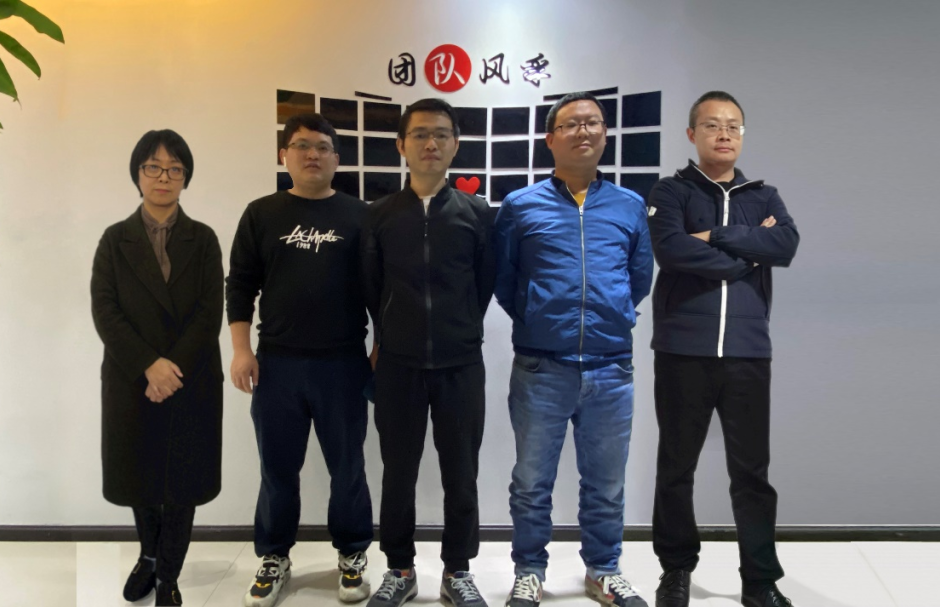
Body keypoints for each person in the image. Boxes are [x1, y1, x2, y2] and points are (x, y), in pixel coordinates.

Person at [492, 92, 653, 607]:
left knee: (606, 483)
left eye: (593, 123)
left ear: (605, 134)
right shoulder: (521, 205)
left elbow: (640, 278)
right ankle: (529, 571)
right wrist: (538, 317)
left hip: (611, 367)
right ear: (550, 138)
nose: (584, 131)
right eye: (571, 124)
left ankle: (603, 570)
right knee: (531, 481)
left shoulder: (629, 206)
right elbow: (504, 280)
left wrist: (611, 314)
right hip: (542, 366)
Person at [648, 91, 800, 607]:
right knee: (676, 467)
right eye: (713, 125)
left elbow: (785, 245)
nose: (724, 134)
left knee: (751, 473)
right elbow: (671, 248)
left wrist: (712, 235)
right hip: (682, 350)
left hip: (747, 351)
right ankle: (675, 571)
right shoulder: (671, 191)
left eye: (734, 126)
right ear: (692, 134)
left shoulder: (766, 196)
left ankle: (760, 580)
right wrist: (748, 250)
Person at [227, 113, 375, 606]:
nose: (313, 154)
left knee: (348, 468)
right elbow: (240, 285)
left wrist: (379, 349)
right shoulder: (261, 213)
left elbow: (381, 292)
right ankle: (274, 557)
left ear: (337, 158)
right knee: (277, 469)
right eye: (302, 145)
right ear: (283, 155)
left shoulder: (360, 216)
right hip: (277, 365)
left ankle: (353, 554)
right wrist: (242, 350)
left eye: (323, 147)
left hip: (344, 364)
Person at [361, 98, 496, 607]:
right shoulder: (379, 216)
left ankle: (457, 570)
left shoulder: (477, 214)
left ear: (455, 144)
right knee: (398, 471)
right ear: (401, 145)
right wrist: (388, 334)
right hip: (397, 364)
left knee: (461, 472)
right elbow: (370, 286)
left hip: (461, 364)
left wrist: (460, 327)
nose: (431, 143)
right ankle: (399, 568)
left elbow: (484, 284)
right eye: (419, 134)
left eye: (441, 134)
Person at [91, 129, 224, 607]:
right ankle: (149, 555)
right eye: (153, 167)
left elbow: (209, 313)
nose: (163, 177)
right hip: (133, 378)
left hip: (190, 378)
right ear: (138, 174)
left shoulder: (203, 239)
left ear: (185, 177)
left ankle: (168, 575)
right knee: (140, 475)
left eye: (174, 169)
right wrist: (149, 365)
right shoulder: (114, 239)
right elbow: (105, 311)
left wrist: (170, 370)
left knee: (182, 481)